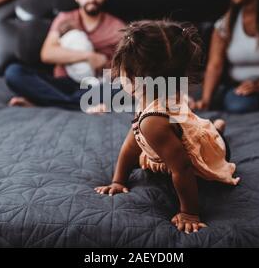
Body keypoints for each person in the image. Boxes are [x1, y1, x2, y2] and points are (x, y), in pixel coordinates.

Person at [94, 20, 240, 234]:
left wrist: (189, 212)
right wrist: (118, 180)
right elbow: (132, 141)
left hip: (210, 152)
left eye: (122, 72)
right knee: (198, 128)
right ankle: (214, 128)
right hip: (186, 132)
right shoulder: (157, 97)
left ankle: (216, 131)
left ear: (137, 80)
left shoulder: (153, 122)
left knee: (214, 139)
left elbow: (182, 168)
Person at [4, 0, 125, 111]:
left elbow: (128, 68)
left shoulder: (118, 27)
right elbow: (47, 54)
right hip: (62, 84)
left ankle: (46, 102)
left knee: (126, 87)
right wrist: (88, 56)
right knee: (14, 73)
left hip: (95, 85)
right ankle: (78, 104)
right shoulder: (64, 19)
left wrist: (105, 64)